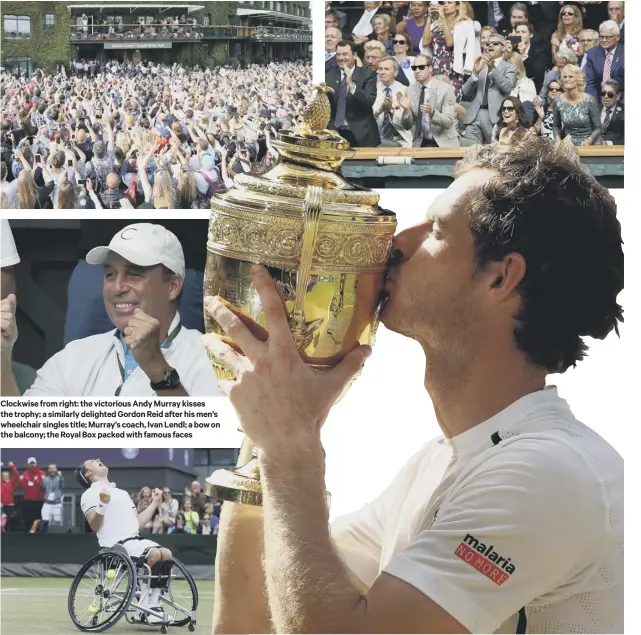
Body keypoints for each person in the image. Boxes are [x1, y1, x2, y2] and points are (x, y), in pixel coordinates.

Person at [205, 135, 624, 634]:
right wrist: (267, 410)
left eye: (437, 229)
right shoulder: (437, 465)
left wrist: (288, 443)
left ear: (501, 278)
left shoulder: (547, 471)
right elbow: (254, 622)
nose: (398, 242)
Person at [0, 223, 220, 397]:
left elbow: (207, 449)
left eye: (134, 274)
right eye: (110, 274)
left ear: (172, 286)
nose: (117, 288)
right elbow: (22, 440)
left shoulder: (209, 358)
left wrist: (158, 370)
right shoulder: (76, 356)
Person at [77, 459, 172, 624]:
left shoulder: (122, 493)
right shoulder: (88, 495)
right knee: (155, 554)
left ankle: (153, 606)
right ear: (88, 473)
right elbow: (94, 525)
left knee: (166, 554)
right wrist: (102, 504)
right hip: (114, 547)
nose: (99, 460)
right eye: (93, 461)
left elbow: (139, 522)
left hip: (134, 542)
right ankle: (145, 609)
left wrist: (155, 503)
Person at [461, 34, 517, 145]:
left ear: (504, 48)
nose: (490, 45)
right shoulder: (480, 65)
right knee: (470, 152)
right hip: (474, 116)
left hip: (495, 117)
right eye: (488, 44)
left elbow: (507, 87)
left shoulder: (510, 67)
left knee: (494, 151)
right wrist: (475, 74)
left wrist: (493, 69)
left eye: (495, 43)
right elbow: (465, 92)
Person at [326, 41, 380, 148]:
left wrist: (351, 85)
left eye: (345, 54)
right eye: (338, 54)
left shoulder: (367, 75)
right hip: (336, 135)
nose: (341, 58)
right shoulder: (328, 76)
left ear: (354, 55)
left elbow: (369, 101)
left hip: (362, 135)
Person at [422, 1, 476, 101]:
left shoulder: (463, 24)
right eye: (443, 3)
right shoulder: (436, 24)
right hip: (436, 66)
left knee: (451, 104)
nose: (445, 5)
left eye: (449, 2)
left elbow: (449, 43)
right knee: (434, 102)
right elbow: (425, 42)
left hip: (452, 68)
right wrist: (429, 18)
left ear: (457, 6)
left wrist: (443, 19)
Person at [408, 54, 460, 147]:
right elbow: (407, 126)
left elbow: (448, 122)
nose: (417, 71)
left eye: (421, 67)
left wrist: (432, 113)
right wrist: (405, 110)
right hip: (421, 142)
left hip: (445, 142)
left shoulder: (445, 89)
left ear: (430, 68)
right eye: (414, 68)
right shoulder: (410, 90)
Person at [553, 64, 602, 146]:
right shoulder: (558, 101)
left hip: (590, 144)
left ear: (578, 79)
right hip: (569, 146)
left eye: (570, 77)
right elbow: (556, 126)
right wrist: (557, 141)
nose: (567, 79)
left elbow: (598, 128)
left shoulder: (589, 100)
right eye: (565, 77)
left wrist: (589, 141)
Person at [373, 57, 415, 147]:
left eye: (386, 69)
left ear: (395, 72)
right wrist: (380, 111)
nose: (382, 72)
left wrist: (406, 110)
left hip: (400, 140)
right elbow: (365, 123)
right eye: (380, 69)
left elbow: (408, 126)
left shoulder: (405, 91)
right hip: (375, 139)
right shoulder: (371, 90)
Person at [584, 21, 624, 102]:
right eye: (601, 37)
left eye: (608, 37)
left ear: (617, 37)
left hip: (621, 99)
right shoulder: (592, 53)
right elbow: (590, 83)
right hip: (599, 99)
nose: (604, 40)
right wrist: (594, 103)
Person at [507, 52, 536, 123]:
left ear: (518, 66)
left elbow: (528, 110)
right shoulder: (503, 82)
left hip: (524, 122)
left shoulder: (528, 83)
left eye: (512, 66)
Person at [18, 458, 45, 533]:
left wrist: (41, 480)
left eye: (33, 463)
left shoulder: (41, 473)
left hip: (38, 501)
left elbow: (44, 486)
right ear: (28, 465)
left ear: (36, 464)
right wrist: (20, 480)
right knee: (28, 519)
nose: (32, 465)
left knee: (38, 519)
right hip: (28, 500)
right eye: (30, 463)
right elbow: (21, 487)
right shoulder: (25, 473)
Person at [39, 464, 64, 532]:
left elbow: (62, 486)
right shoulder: (46, 479)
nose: (52, 470)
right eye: (50, 468)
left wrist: (61, 476)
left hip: (57, 503)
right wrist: (42, 481)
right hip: (47, 502)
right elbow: (41, 488)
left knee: (57, 521)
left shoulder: (59, 478)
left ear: (56, 470)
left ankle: (58, 535)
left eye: (53, 468)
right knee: (45, 519)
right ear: (48, 470)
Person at [600, 79, 624, 146]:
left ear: (618, 96)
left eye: (610, 94)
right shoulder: (594, 109)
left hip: (615, 152)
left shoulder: (625, 112)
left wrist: (608, 143)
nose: (606, 96)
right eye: (603, 93)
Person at [0, 461, 20, 532]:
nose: (5, 477)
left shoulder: (11, 483)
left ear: (8, 476)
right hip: (1, 505)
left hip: (10, 505)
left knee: (9, 520)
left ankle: (9, 533)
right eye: (3, 476)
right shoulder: (1, 483)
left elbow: (16, 474)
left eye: (6, 476)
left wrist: (12, 466)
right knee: (1, 521)